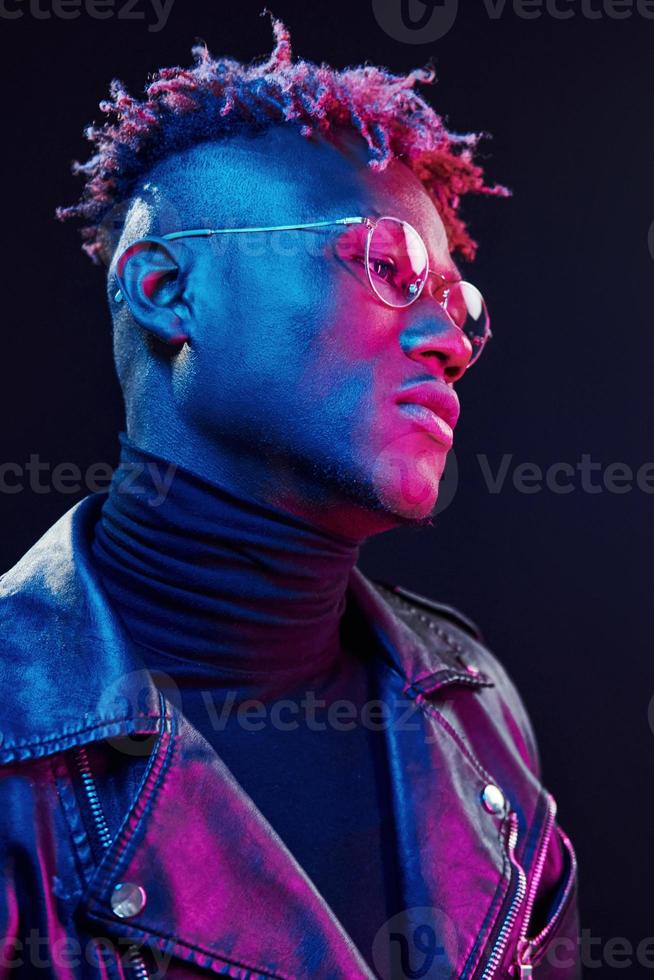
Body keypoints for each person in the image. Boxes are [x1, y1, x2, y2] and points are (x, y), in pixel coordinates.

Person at [0, 16, 580, 979]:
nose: (448, 340)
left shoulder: (474, 709)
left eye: (459, 302)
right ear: (168, 290)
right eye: (387, 265)